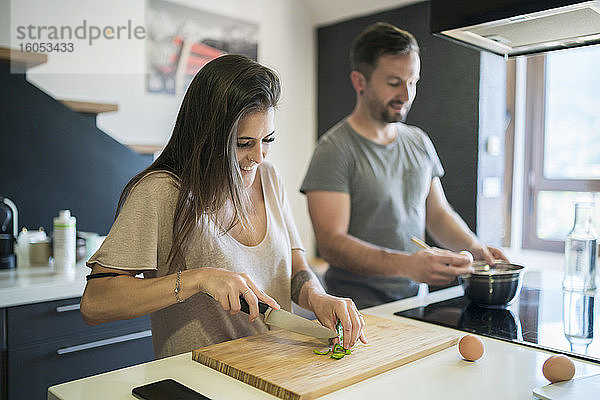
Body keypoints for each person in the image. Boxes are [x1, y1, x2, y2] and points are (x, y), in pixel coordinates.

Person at [80, 54, 366, 359]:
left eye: (267, 139)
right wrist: (197, 279)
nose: (259, 156)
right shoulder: (160, 192)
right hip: (198, 380)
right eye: (243, 143)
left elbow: (296, 269)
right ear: (206, 136)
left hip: (275, 370)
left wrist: (318, 297)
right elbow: (96, 304)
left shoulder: (269, 178)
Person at [300, 23, 507, 309]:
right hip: (356, 310)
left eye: (413, 82)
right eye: (394, 82)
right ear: (360, 82)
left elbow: (438, 215)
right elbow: (331, 244)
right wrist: (408, 265)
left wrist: (474, 247)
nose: (407, 95)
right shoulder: (333, 150)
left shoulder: (419, 141)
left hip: (414, 304)